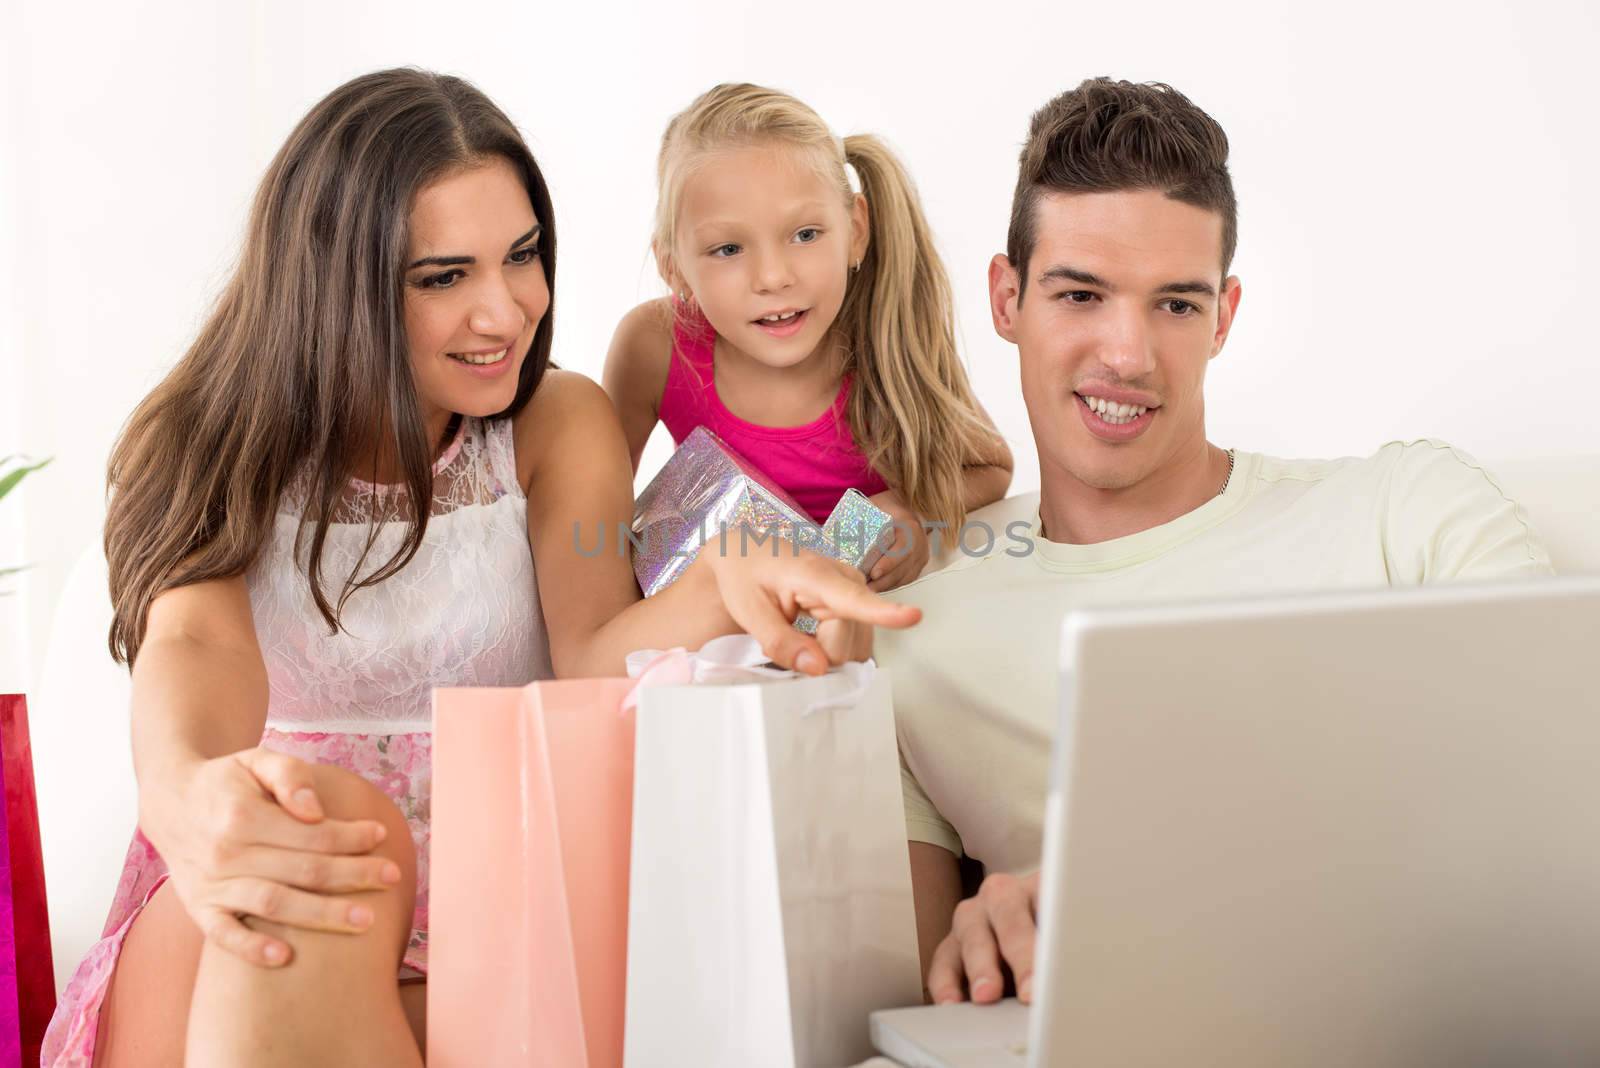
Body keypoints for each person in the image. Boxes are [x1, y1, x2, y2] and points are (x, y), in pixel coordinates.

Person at [42, 69, 914, 1068]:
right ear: (336, 284)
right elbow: (194, 642)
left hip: (496, 905)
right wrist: (185, 789)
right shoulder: (199, 437)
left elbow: (593, 648)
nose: (504, 311)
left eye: (522, 257)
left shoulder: (553, 424)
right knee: (323, 827)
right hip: (273, 880)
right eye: (443, 276)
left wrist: (723, 575)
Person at [875, 77, 1554, 1007]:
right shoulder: (912, 614)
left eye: (1177, 306)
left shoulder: (1410, 513)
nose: (1128, 354)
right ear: (1006, 298)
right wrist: (978, 940)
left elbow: (1553, 817)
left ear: (1225, 316)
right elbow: (905, 997)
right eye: (1081, 294)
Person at [602, 83, 1014, 591]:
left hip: (871, 630)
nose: (773, 277)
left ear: (855, 230)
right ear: (675, 268)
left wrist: (911, 509)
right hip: (715, 639)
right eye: (728, 248)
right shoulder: (653, 347)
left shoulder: (881, 335)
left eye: (805, 235)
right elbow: (600, 524)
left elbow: (992, 466)